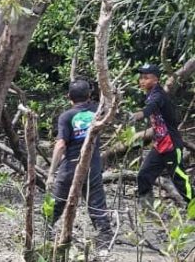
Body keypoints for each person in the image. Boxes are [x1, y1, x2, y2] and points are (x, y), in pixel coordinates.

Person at [46, 79, 114, 250]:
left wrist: (51, 172)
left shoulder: (67, 116)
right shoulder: (98, 111)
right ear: (89, 95)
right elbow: (110, 101)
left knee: (57, 202)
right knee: (96, 203)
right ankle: (105, 237)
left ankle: (43, 232)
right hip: (93, 166)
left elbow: (61, 145)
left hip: (70, 166)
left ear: (68, 96)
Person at [129, 63, 191, 205]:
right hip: (159, 145)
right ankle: (148, 210)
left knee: (180, 180)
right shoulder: (150, 94)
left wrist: (139, 115)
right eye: (141, 78)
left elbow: (151, 108)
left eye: (146, 78)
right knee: (144, 175)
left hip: (171, 145)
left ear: (156, 80)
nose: (142, 81)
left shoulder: (158, 95)